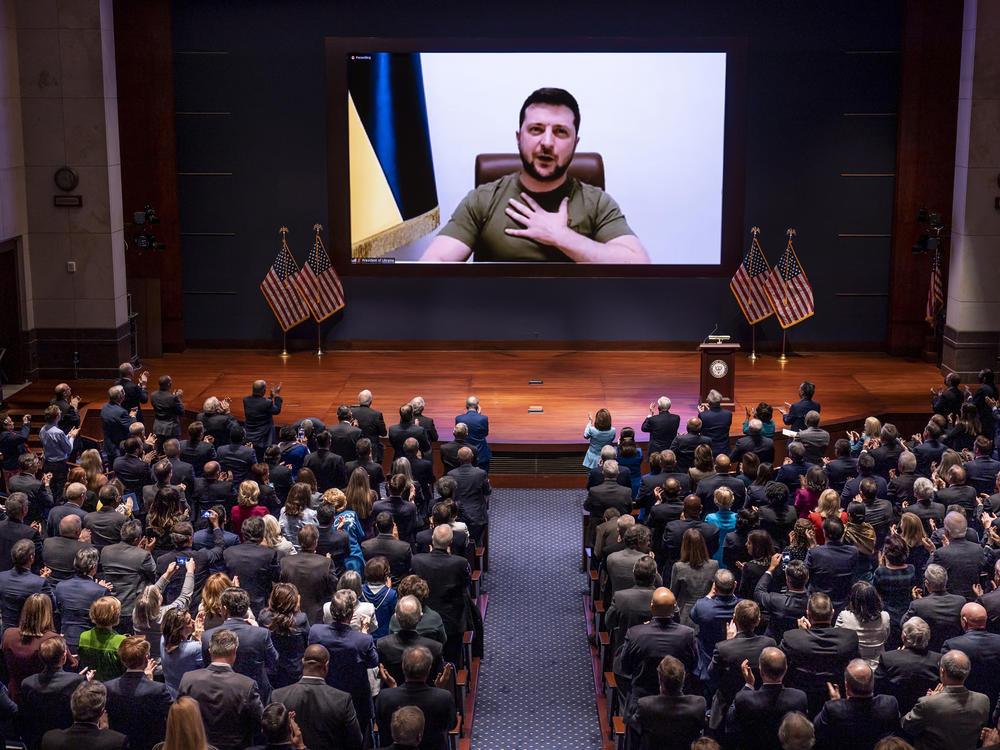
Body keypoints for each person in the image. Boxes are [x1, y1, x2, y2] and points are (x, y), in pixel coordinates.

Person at [419, 87, 647, 263]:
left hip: (574, 320)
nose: (547, 143)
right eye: (536, 129)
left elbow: (638, 264)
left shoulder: (597, 203)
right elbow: (434, 262)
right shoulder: (483, 200)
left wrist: (562, 237)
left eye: (560, 132)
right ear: (519, 137)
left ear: (575, 143)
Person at [307, 589, 379, 743]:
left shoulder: (316, 632)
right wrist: (364, 630)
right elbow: (373, 662)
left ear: (331, 611)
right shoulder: (362, 640)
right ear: (352, 613)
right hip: (356, 700)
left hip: (325, 695)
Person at [179, 628, 265, 750]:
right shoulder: (247, 685)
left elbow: (180, 720)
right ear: (235, 650)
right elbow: (261, 721)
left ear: (210, 651)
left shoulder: (188, 680)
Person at [779, 592, 860, 716]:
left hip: (802, 697)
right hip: (838, 695)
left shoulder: (792, 638)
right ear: (832, 613)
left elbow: (778, 668)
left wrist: (803, 634)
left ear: (808, 615)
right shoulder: (849, 638)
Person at [271, 643, 363, 750]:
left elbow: (272, 739)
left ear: (302, 662)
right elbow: (356, 741)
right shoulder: (342, 699)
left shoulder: (278, 696)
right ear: (326, 665)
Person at [616, 587, 697, 706]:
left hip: (642, 702)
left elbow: (625, 668)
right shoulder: (688, 634)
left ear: (652, 607)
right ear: (675, 608)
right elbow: (694, 665)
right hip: (677, 703)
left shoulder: (634, 633)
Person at [703, 598, 774, 734]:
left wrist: (728, 642)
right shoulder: (769, 644)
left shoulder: (723, 647)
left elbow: (711, 675)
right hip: (760, 705)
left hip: (728, 706)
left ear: (734, 619)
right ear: (758, 621)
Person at [901, 649, 990, 750]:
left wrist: (932, 698)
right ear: (967, 672)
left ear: (942, 671)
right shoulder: (983, 701)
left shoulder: (928, 703)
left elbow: (907, 726)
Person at [410, 526, 471, 665]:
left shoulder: (417, 560)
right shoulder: (460, 563)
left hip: (423, 621)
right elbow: (466, 584)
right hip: (452, 622)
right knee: (451, 661)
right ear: (450, 543)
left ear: (432, 539)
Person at [375, 645, 456, 750]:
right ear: (428, 670)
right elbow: (451, 725)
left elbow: (381, 725)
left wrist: (393, 689)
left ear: (403, 668)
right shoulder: (443, 697)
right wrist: (439, 690)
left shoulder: (384, 696)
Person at [726, 647, 808, 750]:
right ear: (785, 669)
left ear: (761, 671)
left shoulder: (744, 698)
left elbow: (730, 721)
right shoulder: (799, 698)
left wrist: (749, 685)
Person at [2, 593, 74, 703]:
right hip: (42, 699)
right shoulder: (52, 639)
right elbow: (72, 665)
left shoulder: (8, 634)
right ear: (48, 613)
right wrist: (62, 649)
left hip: (14, 696)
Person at [812, 659, 899, 750]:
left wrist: (835, 702)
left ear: (846, 686)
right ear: (873, 683)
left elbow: (816, 732)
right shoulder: (890, 704)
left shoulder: (832, 709)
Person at [103, 636, 172, 750]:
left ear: (122, 659)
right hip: (150, 745)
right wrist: (150, 683)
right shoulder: (158, 689)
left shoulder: (108, 687)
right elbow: (171, 718)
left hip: (119, 745)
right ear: (146, 659)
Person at [627, 654, 706, 750]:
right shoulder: (698, 705)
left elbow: (634, 741)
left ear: (659, 679)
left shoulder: (645, 706)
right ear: (683, 678)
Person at [20, 635, 84, 750]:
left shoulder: (26, 683)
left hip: (37, 740)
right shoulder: (77, 681)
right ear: (64, 657)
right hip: (67, 740)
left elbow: (23, 718)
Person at [940, 601, 1000, 715]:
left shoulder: (951, 645)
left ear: (964, 621)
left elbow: (946, 680)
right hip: (995, 706)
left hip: (962, 707)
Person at [873, 617, 941, 716]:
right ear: (928, 638)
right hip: (928, 713)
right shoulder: (938, 659)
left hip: (896, 712)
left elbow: (878, 687)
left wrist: (897, 656)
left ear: (903, 637)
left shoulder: (888, 658)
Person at [39, 681, 128, 750]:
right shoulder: (117, 742)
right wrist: (105, 733)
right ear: (102, 713)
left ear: (72, 707)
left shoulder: (50, 740)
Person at [54, 547, 112, 651]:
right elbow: (105, 620)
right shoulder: (101, 591)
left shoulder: (60, 586)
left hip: (64, 641)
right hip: (90, 644)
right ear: (94, 567)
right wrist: (101, 589)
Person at [279, 524, 338, 627]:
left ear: (299, 541)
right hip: (317, 617)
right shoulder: (326, 563)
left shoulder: (285, 562)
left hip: (290, 617)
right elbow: (333, 588)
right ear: (316, 542)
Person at [258, 582, 310, 690]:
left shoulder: (264, 618)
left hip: (271, 671)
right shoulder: (301, 619)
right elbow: (307, 644)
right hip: (295, 671)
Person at [0, 538, 54, 637]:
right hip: (28, 635)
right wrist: (41, 580)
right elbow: (52, 605)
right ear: (31, 557)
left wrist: (40, 580)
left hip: (4, 634)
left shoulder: (1, 577)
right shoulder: (40, 583)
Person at [669, 528, 719, 627]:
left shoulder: (678, 567)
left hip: (684, 615)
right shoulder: (714, 565)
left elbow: (673, 594)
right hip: (708, 613)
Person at [834, 581, 890, 669]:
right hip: (878, 667)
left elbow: (837, 640)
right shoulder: (885, 617)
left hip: (853, 667)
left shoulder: (844, 616)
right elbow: (885, 638)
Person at [77, 596, 126, 681]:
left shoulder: (84, 636)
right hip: (113, 687)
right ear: (115, 615)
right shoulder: (121, 640)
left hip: (90, 684)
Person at [159, 608, 205, 698]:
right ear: (178, 630)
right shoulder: (195, 648)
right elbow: (208, 663)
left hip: (171, 693)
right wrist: (200, 638)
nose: (193, 622)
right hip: (190, 697)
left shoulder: (163, 639)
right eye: (188, 622)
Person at [100, 385, 138, 462]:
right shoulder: (121, 412)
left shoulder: (105, 406)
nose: (125, 393)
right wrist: (133, 417)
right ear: (120, 396)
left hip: (108, 444)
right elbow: (131, 428)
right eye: (123, 392)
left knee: (111, 467)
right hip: (118, 447)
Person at [455, 396, 490, 473]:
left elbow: (459, 434)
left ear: (466, 406)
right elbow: (485, 433)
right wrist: (479, 415)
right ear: (477, 406)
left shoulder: (459, 418)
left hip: (464, 455)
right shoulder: (483, 418)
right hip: (480, 454)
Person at [150, 375, 184, 451]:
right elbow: (181, 412)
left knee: (160, 451)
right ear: (169, 384)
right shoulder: (173, 398)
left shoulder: (153, 395)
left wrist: (174, 398)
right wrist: (179, 399)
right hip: (171, 429)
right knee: (172, 451)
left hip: (158, 428)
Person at [699, 389, 733, 457]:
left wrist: (704, 413)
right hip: (724, 450)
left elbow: (700, 430)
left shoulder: (703, 415)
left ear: (708, 402)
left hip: (708, 451)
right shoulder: (728, 414)